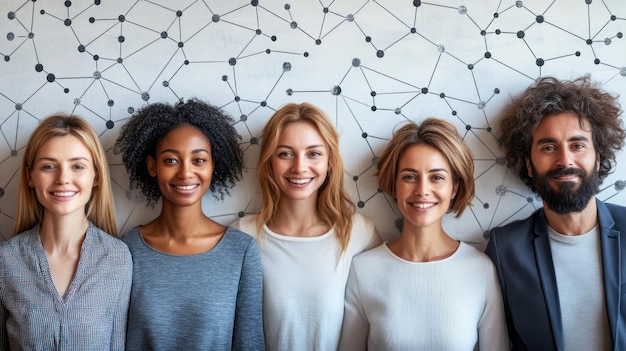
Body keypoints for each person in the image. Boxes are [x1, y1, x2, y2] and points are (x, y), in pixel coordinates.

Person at [338, 118, 508, 350]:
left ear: (454, 188)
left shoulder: (481, 268)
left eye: (437, 177)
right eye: (409, 176)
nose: (422, 190)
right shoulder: (363, 269)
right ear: (395, 185)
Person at [486, 76, 626, 350]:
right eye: (548, 147)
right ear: (528, 164)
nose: (565, 160)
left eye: (578, 145)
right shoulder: (505, 249)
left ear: (598, 158)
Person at [115, 99, 264, 350]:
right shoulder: (125, 250)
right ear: (152, 166)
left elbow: (249, 344)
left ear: (213, 165)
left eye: (199, 160)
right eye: (171, 160)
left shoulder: (241, 252)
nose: (185, 173)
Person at [231, 102, 381, 351]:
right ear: (269, 162)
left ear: (330, 162)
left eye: (313, 153)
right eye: (285, 153)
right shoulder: (243, 235)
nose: (299, 167)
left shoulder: (360, 235)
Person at [0, 114, 132, 350]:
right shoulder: (6, 261)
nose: (63, 179)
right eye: (49, 166)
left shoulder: (117, 258)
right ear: (30, 176)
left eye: (78, 166)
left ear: (96, 176)